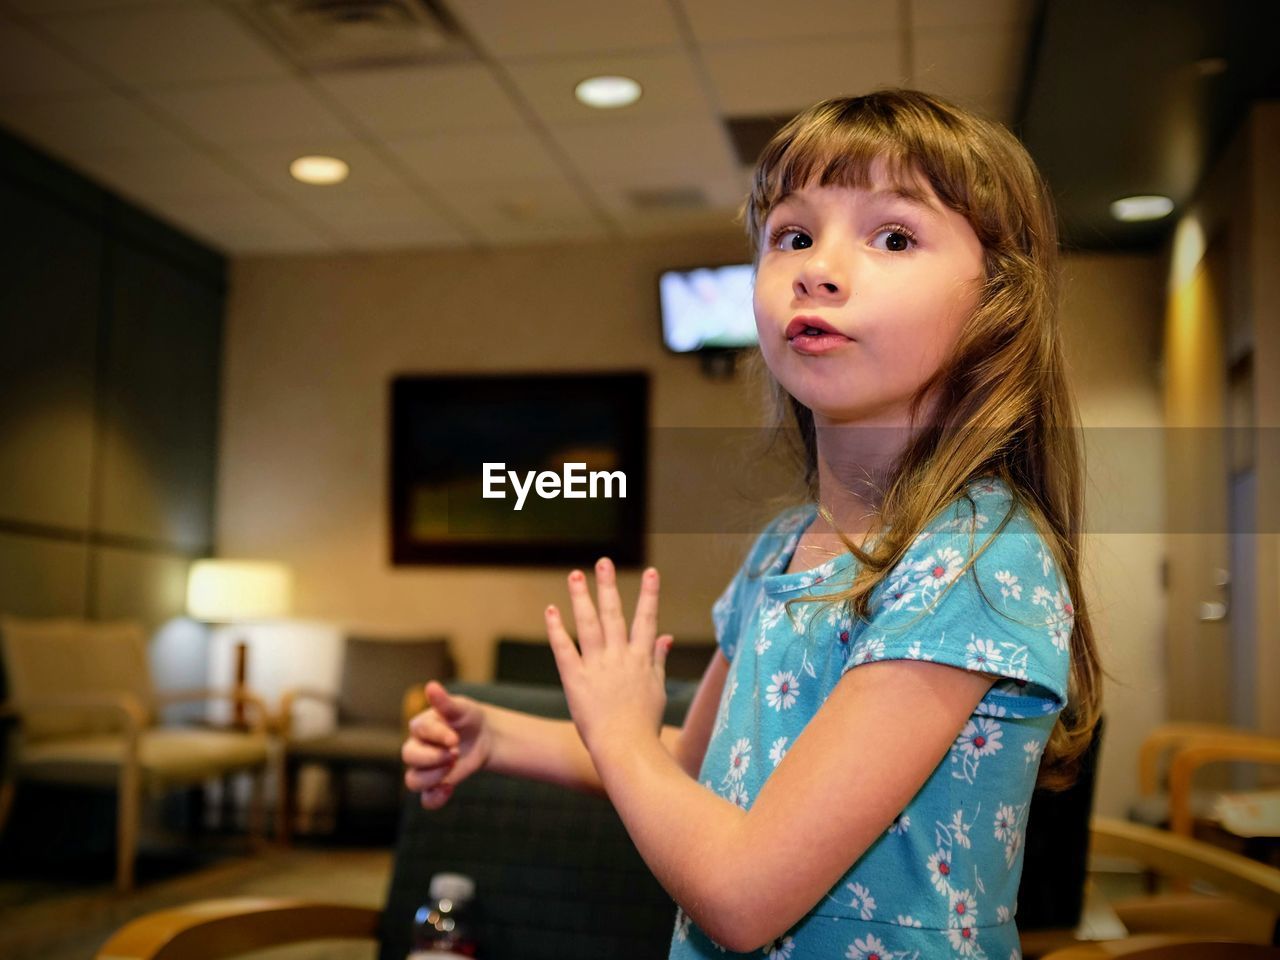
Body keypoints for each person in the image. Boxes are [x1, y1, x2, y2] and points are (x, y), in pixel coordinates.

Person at [403, 88, 1102, 959]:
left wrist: (620, 734)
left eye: (892, 237)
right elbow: (693, 770)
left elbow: (741, 894)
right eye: (794, 235)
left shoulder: (971, 559)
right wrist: (502, 735)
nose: (817, 267)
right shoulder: (781, 547)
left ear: (998, 302)